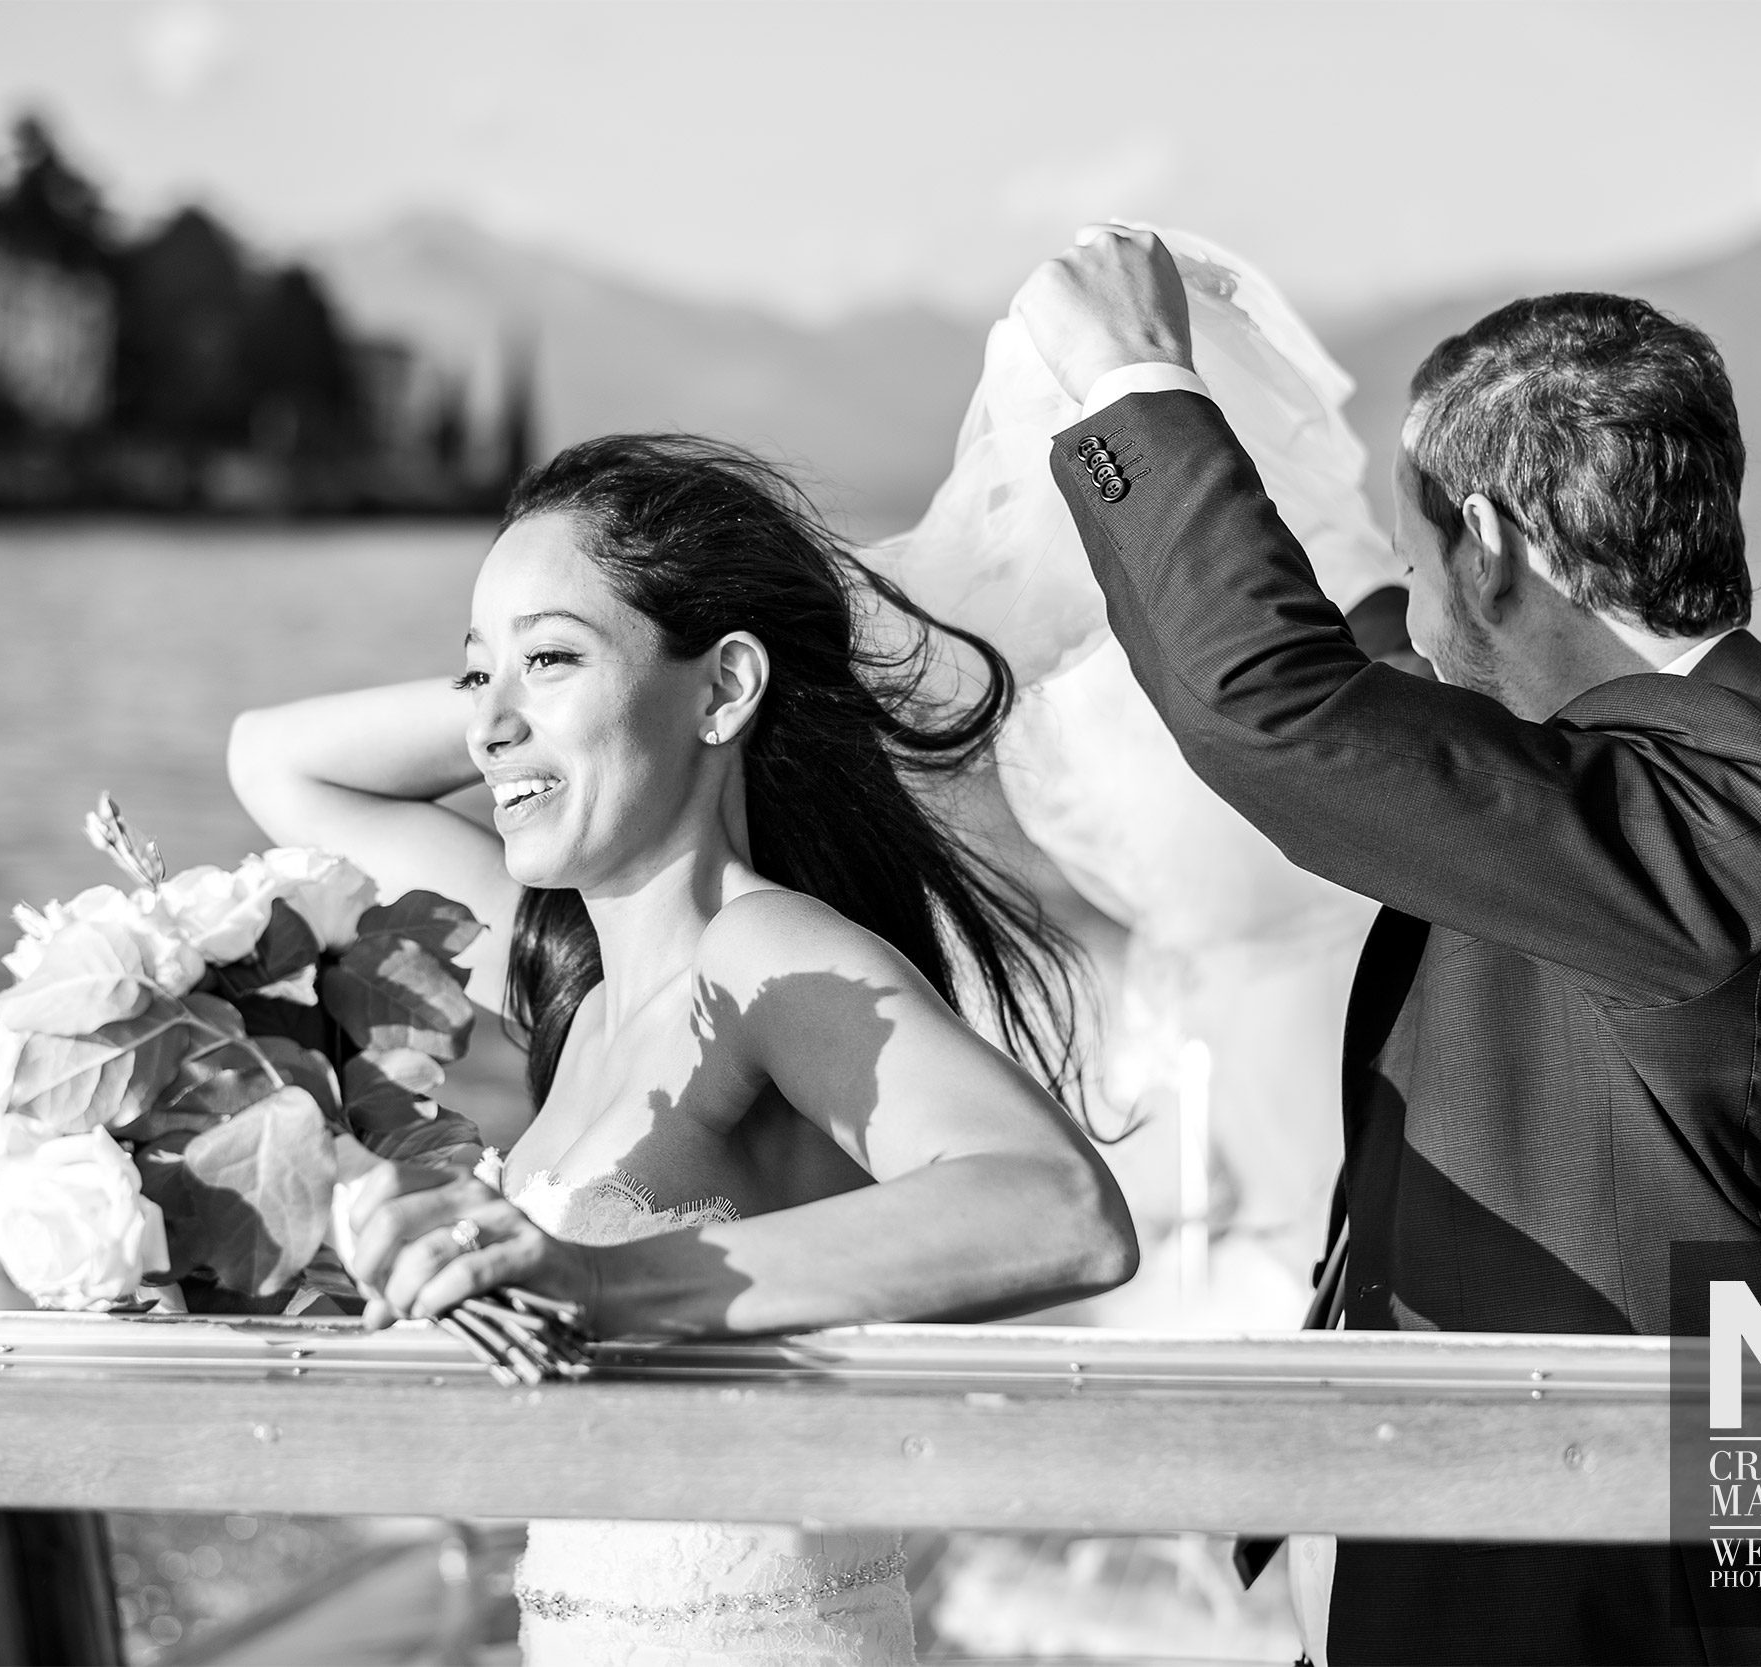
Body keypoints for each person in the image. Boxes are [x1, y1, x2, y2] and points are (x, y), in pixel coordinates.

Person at [1013, 229, 1761, 1664]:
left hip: (1634, 1562)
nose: (1407, 596)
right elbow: (1385, 668)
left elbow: (1282, 714)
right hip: (1726, 1453)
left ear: (1504, 548)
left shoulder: (1733, 800)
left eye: (1423, 550)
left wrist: (1131, 383)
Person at [226, 432, 1141, 1664]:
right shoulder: (569, 978)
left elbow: (1055, 1210)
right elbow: (272, 760)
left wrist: (599, 1282)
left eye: (551, 657)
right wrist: (533, 707)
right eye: (470, 677)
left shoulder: (768, 954)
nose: (484, 726)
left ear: (722, 689)